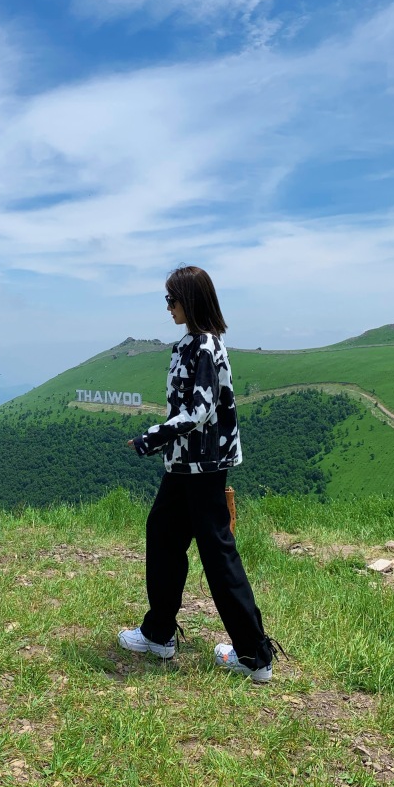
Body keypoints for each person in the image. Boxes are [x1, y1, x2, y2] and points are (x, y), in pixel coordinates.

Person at [119, 265, 281, 683]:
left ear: (190, 302)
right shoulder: (194, 343)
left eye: (171, 300)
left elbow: (199, 410)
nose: (168, 307)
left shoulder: (203, 346)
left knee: (216, 553)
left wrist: (149, 438)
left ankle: (254, 655)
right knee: (164, 534)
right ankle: (159, 633)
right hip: (190, 463)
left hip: (201, 463)